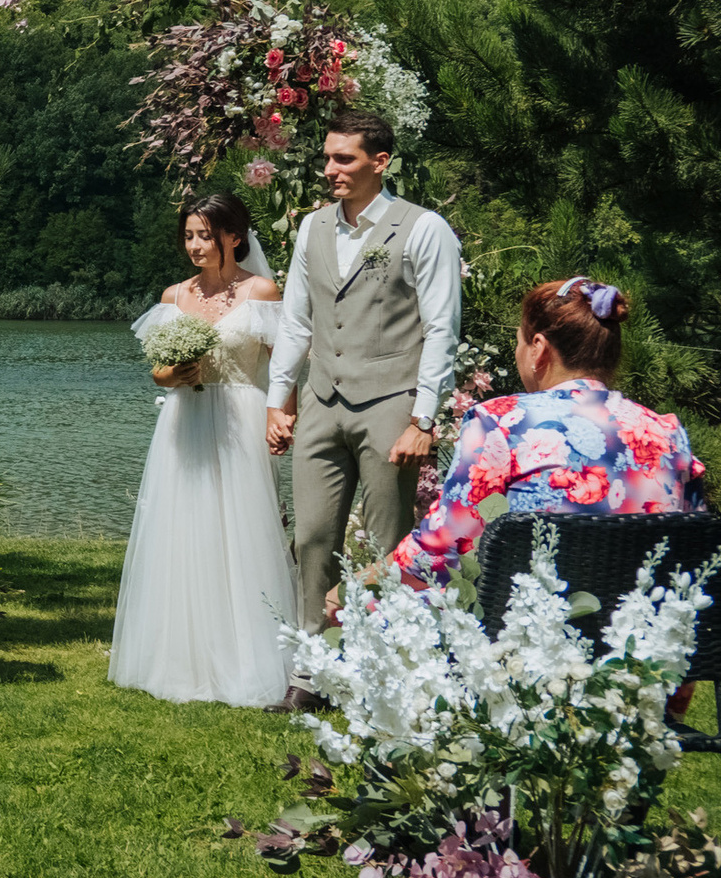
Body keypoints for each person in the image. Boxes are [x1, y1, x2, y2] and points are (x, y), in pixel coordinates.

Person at [265, 112, 462, 711]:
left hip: (390, 404)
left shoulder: (424, 230)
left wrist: (423, 419)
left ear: (380, 162)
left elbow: (441, 327)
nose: (330, 170)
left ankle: (381, 676)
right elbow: (297, 319)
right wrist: (280, 398)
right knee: (313, 538)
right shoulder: (312, 229)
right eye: (327, 158)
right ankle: (309, 675)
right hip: (323, 401)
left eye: (344, 159)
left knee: (385, 546)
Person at [389, 277, 705, 586]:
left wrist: (347, 594)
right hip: (644, 630)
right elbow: (693, 549)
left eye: (518, 342)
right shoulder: (669, 433)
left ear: (538, 348)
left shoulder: (501, 421)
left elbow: (438, 553)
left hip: (529, 628)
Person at [109, 194, 294, 706]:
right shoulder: (173, 297)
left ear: (234, 237)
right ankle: (181, 656)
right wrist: (176, 372)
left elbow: (285, 365)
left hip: (240, 415)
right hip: (184, 418)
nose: (195, 245)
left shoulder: (262, 291)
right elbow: (157, 371)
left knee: (242, 531)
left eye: (206, 235)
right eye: (189, 235)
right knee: (184, 528)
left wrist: (283, 414)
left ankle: (247, 658)